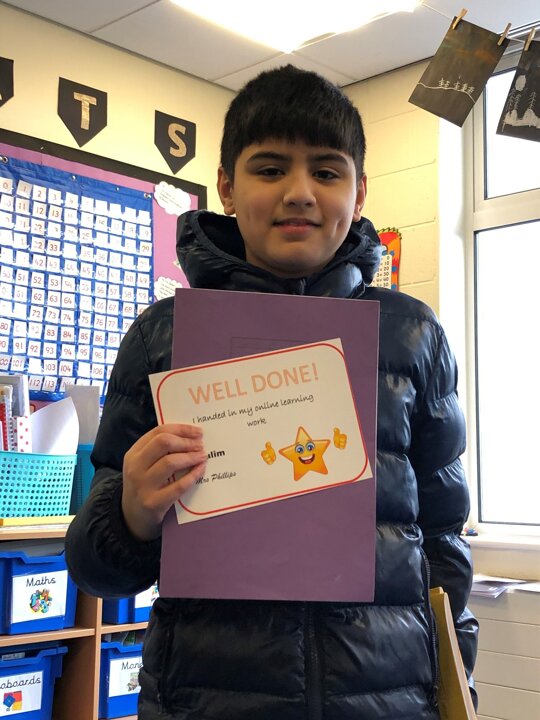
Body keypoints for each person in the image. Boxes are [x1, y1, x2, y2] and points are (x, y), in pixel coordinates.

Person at [65, 64, 478, 719]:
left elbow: (444, 541)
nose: (299, 193)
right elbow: (95, 567)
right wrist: (132, 515)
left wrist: (456, 683)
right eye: (269, 169)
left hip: (388, 701)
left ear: (359, 193)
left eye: (326, 171)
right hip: (208, 698)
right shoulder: (163, 338)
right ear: (227, 187)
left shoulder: (413, 335)